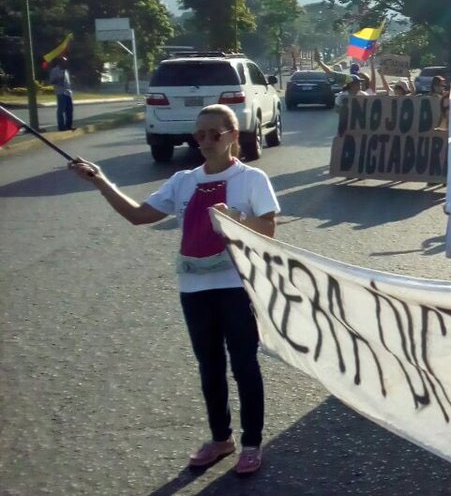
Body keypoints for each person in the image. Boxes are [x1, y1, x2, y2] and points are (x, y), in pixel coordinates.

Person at [67, 104, 280, 475]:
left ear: (233, 136)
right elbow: (139, 215)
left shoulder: (252, 178)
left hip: (236, 286)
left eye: (216, 134)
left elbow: (268, 230)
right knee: (209, 365)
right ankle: (220, 438)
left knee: (245, 364)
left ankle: (251, 443)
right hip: (194, 287)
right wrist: (101, 181)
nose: (207, 141)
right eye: (200, 134)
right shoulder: (183, 180)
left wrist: (239, 219)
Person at [48, 56, 74, 131]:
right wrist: (58, 80)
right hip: (60, 92)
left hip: (68, 92)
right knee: (61, 110)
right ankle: (61, 126)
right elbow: (52, 81)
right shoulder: (55, 70)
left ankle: (68, 125)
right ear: (60, 62)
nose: (65, 63)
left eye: (66, 62)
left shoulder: (66, 71)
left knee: (69, 110)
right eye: (64, 62)